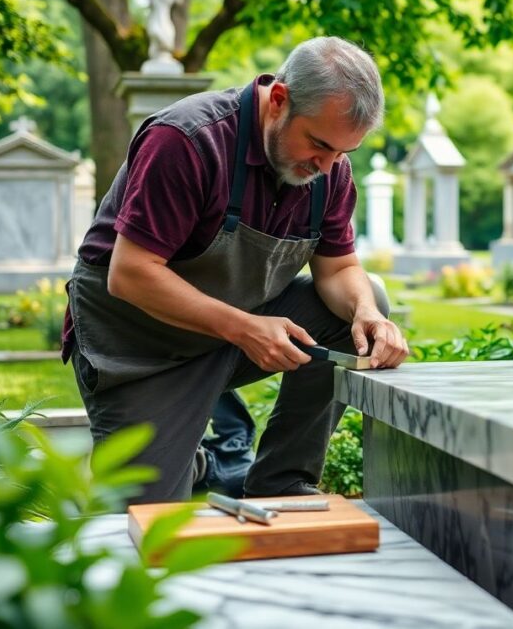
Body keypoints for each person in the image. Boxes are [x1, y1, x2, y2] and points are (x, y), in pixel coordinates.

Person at [62, 37, 409, 503]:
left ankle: (281, 483)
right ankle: (202, 459)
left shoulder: (329, 171)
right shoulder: (187, 140)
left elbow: (339, 268)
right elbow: (130, 273)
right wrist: (245, 329)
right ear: (279, 101)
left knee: (368, 303)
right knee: (146, 527)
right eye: (319, 145)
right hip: (138, 352)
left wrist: (366, 310)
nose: (326, 167)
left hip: (234, 332)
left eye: (342, 153)